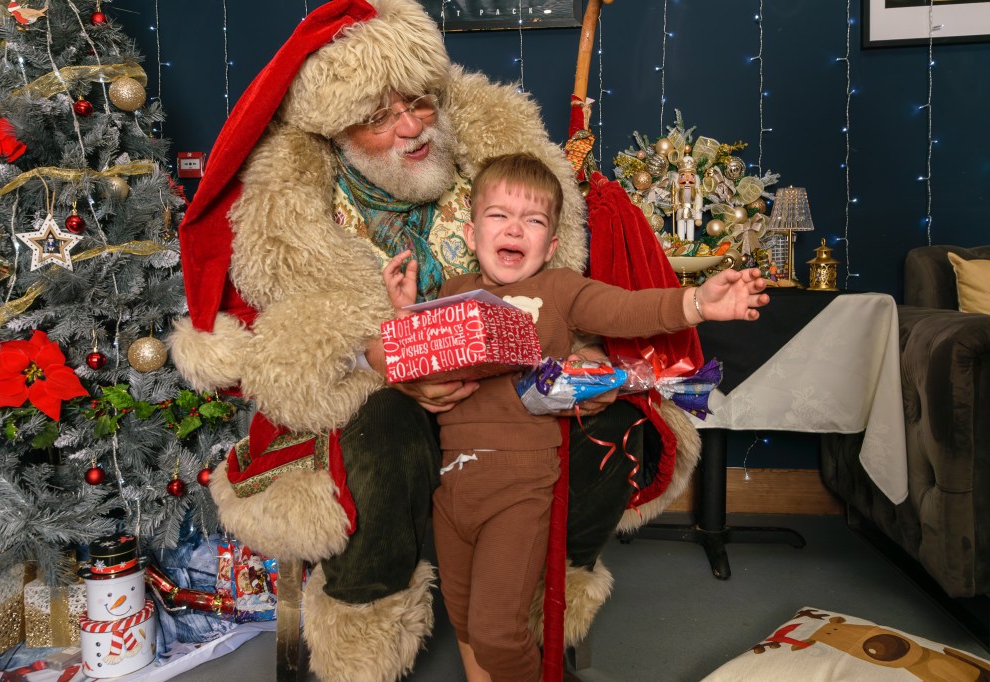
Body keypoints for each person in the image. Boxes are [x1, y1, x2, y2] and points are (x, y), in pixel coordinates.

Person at [169, 1, 701, 680]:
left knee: (620, 426)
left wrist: (585, 361)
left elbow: (572, 295)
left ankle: (533, 605)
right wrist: (384, 361)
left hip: (515, 398)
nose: (413, 126)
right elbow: (283, 356)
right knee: (385, 435)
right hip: (376, 399)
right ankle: (367, 630)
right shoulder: (294, 210)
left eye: (418, 101)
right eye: (379, 117)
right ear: (338, 131)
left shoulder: (497, 158)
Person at [382, 153, 768, 681]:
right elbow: (417, 361)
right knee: (465, 619)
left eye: (533, 220)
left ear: (550, 245)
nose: (514, 228)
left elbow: (627, 310)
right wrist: (405, 314)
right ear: (471, 235)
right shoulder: (452, 294)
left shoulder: (561, 290)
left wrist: (698, 302)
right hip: (451, 488)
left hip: (518, 489)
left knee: (499, 633)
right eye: (498, 215)